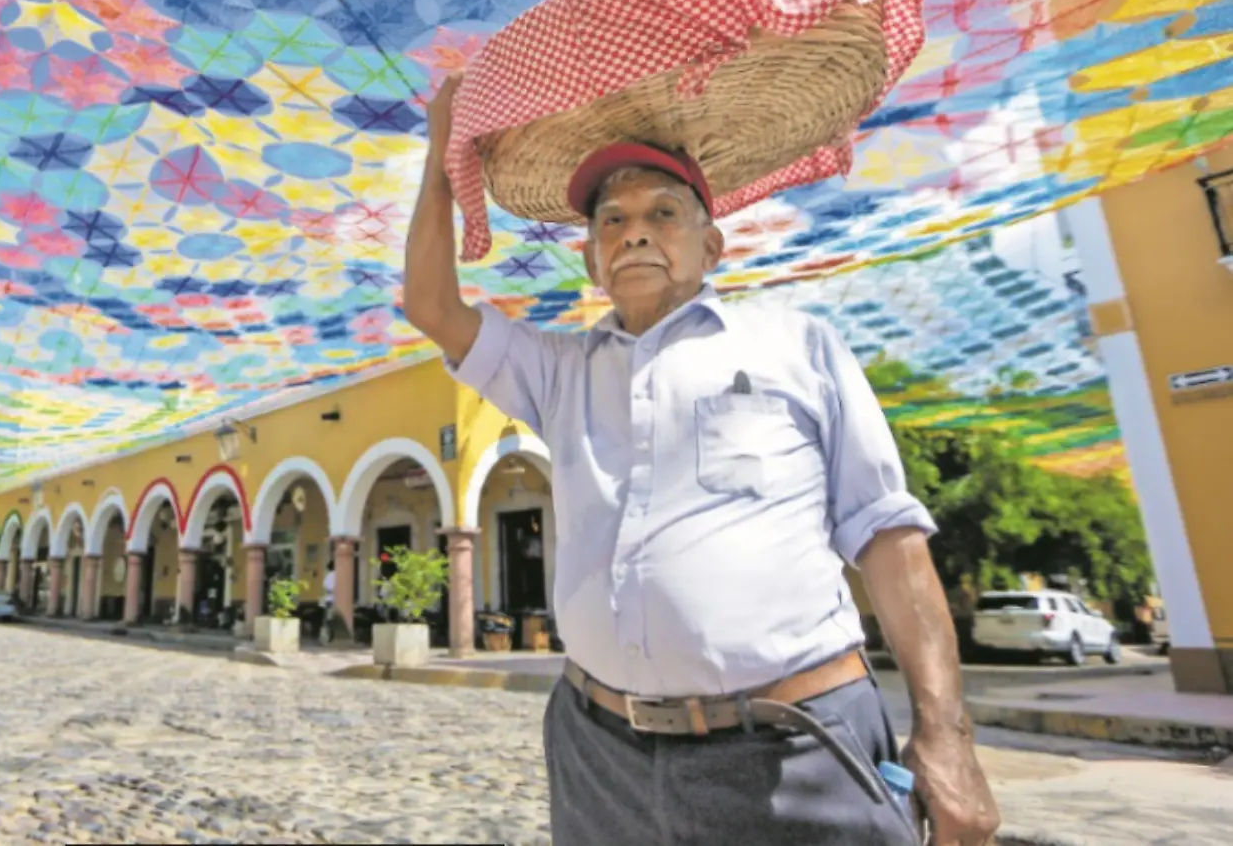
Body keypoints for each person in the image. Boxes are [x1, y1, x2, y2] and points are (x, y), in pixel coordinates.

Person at [402, 77, 1000, 846]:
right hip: (600, 756)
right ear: (591, 260)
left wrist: (947, 736)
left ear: (711, 244)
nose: (635, 233)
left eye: (662, 213)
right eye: (611, 221)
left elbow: (889, 537)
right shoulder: (561, 371)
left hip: (791, 748)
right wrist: (440, 154)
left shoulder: (798, 345)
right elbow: (430, 304)